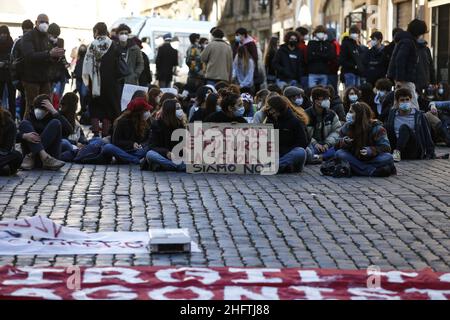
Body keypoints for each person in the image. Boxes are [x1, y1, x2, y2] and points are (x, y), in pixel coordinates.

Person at [335, 102, 396, 177]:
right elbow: (336, 144)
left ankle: (357, 168)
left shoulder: (377, 128)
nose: (348, 114)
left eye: (351, 112)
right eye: (349, 111)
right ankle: (372, 171)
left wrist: (371, 150)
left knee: (388, 157)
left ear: (359, 115)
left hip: (372, 158)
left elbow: (386, 147)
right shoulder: (347, 126)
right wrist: (344, 142)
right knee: (339, 153)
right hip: (354, 157)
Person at [21, 14, 65, 117]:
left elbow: (50, 58)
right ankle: (27, 130)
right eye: (42, 21)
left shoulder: (47, 37)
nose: (44, 24)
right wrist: (49, 53)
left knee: (46, 106)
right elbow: (29, 56)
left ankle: (43, 130)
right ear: (36, 22)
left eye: (46, 22)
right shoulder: (28, 36)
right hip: (31, 79)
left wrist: (56, 56)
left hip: (45, 78)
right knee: (32, 107)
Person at [83, 22, 121, 138]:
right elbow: (118, 65)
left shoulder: (93, 45)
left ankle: (95, 134)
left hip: (94, 83)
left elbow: (87, 65)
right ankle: (105, 135)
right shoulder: (113, 45)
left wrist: (87, 81)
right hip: (110, 83)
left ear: (96, 31)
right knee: (108, 109)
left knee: (95, 108)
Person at [18, 94, 70, 170]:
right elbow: (13, 137)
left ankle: (34, 155)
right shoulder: (29, 118)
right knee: (24, 123)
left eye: (43, 110)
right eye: (37, 109)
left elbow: (69, 131)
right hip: (31, 161)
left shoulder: (53, 116)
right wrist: (24, 136)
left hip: (51, 158)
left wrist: (54, 112)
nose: (39, 112)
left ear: (48, 110)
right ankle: (42, 156)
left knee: (56, 122)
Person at [387, 19, 428, 110]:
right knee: (413, 106)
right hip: (404, 80)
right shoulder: (408, 42)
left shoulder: (406, 40)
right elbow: (400, 60)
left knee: (398, 105)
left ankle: (393, 122)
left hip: (404, 79)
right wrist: (400, 79)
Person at [385, 88, 435, 162]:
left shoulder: (419, 115)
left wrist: (430, 153)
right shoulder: (392, 114)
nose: (405, 102)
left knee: (404, 128)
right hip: (396, 145)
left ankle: (397, 152)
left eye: (407, 99)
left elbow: (426, 134)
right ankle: (388, 152)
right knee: (385, 126)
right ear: (397, 102)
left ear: (410, 100)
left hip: (413, 149)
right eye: (402, 100)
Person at [263, 95, 309, 174]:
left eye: (272, 109)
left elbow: (303, 142)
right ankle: (282, 167)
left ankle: (276, 166)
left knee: (301, 152)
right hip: (276, 154)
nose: (271, 112)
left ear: (278, 108)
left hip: (289, 153)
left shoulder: (294, 121)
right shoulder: (270, 120)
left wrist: (286, 151)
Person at [101, 97, 152, 165]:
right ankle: (134, 160)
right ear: (139, 112)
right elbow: (116, 141)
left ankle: (127, 159)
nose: (148, 112)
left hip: (137, 151)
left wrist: (142, 145)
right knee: (108, 147)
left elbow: (149, 139)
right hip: (122, 150)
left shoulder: (146, 122)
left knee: (150, 149)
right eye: (146, 110)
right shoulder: (122, 122)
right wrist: (132, 144)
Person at [145, 99, 187, 172]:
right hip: (163, 155)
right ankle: (175, 166)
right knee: (150, 154)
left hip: (178, 157)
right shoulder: (157, 125)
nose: (180, 110)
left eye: (180, 108)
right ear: (170, 111)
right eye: (177, 108)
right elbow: (152, 146)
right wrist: (166, 153)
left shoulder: (181, 125)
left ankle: (165, 166)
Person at [305, 87, 341, 161]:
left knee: (339, 150)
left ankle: (319, 157)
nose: (327, 101)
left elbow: (337, 130)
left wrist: (327, 143)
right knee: (307, 151)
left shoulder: (331, 114)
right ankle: (322, 156)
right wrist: (314, 143)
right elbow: (304, 133)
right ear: (316, 101)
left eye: (328, 98)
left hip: (327, 145)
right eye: (325, 99)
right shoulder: (306, 115)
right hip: (312, 145)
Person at [10, 20, 34, 120]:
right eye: (25, 32)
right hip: (23, 78)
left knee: (30, 102)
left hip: (33, 78)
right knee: (26, 101)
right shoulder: (19, 42)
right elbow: (13, 61)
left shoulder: (35, 42)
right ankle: (23, 122)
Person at [58, 92, 88, 162]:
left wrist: (84, 142)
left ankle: (78, 152)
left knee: (96, 140)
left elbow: (81, 134)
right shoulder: (60, 117)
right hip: (67, 143)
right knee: (65, 143)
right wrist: (75, 143)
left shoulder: (74, 117)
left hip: (76, 144)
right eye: (76, 103)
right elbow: (60, 137)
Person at [47, 23, 70, 101]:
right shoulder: (45, 42)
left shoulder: (60, 41)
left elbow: (62, 55)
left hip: (60, 74)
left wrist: (66, 63)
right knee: (50, 95)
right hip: (50, 75)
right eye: (53, 35)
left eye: (56, 36)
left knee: (58, 96)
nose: (55, 37)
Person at [0, 108, 22, 176]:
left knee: (17, 156)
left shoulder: (9, 123)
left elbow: (7, 149)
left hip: (3, 155)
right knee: (4, 169)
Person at [0, 25, 16, 120]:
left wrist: (5, 63)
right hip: (0, 75)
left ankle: (12, 118)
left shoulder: (12, 44)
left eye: (5, 33)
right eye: (1, 33)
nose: (3, 35)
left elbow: (14, 59)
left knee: (12, 99)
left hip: (10, 75)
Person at [73, 44, 89, 117]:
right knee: (80, 94)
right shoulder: (79, 58)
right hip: (78, 78)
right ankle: (82, 108)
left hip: (85, 78)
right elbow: (77, 67)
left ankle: (84, 109)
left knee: (83, 93)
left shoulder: (88, 58)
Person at [326, 28, 340, 94]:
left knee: (332, 88)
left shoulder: (334, 44)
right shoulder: (334, 43)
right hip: (331, 70)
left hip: (332, 71)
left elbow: (336, 56)